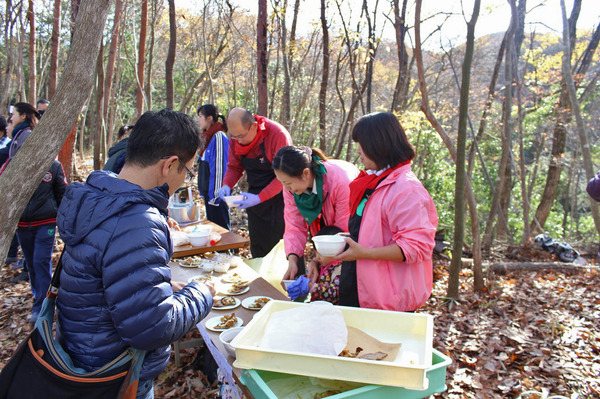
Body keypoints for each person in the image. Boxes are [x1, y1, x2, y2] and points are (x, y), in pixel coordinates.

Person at [56, 109, 215, 399]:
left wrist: (162, 290)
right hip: (116, 375)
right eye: (188, 172)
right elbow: (152, 327)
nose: (186, 180)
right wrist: (200, 293)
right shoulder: (137, 221)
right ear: (170, 165)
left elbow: (109, 285)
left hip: (82, 356)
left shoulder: (96, 197)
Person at [334, 112, 438, 312]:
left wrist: (365, 253)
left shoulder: (407, 189)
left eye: (361, 144)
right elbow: (377, 232)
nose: (358, 151)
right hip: (360, 286)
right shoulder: (373, 182)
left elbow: (416, 247)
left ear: (378, 144)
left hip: (388, 301)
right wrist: (348, 239)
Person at [4, 103, 67, 322]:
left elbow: (63, 193)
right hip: (23, 224)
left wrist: (61, 218)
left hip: (46, 223)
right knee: (31, 263)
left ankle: (43, 306)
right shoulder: (13, 165)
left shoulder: (53, 167)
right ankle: (37, 296)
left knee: (41, 261)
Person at [272, 145, 358, 281]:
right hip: (324, 229)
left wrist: (318, 259)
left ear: (306, 173)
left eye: (288, 183)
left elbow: (343, 232)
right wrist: (292, 260)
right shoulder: (290, 189)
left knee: (340, 279)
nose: (287, 188)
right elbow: (294, 225)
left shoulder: (340, 181)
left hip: (347, 235)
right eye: (283, 183)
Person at [218, 107, 293, 257]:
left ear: (253, 126)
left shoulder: (277, 135)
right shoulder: (235, 139)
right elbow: (234, 166)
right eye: (234, 137)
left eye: (241, 136)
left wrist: (260, 197)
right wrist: (226, 185)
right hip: (255, 203)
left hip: (280, 200)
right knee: (259, 248)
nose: (238, 141)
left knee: (282, 251)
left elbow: (285, 177)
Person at [196, 104, 230, 229]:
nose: (198, 120)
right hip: (208, 194)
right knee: (214, 233)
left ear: (209, 118)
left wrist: (215, 196)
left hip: (216, 197)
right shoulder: (207, 138)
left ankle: (228, 250)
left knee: (223, 233)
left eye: (200, 116)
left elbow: (220, 169)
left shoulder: (219, 137)